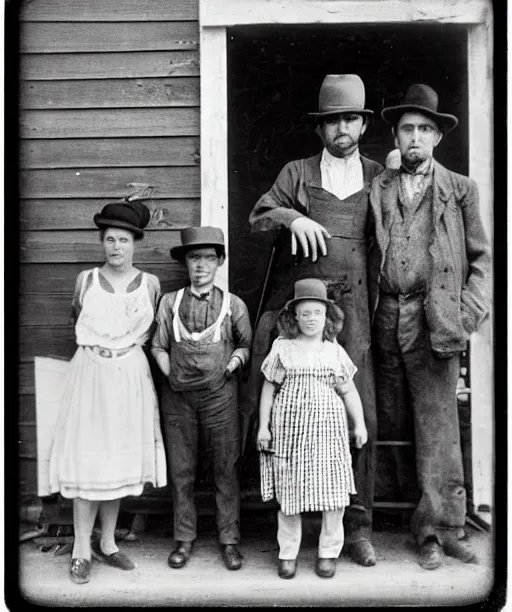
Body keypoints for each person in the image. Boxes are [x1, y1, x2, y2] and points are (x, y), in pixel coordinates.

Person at [249, 74, 383, 566]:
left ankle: (359, 528)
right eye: (332, 121)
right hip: (306, 314)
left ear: (363, 125)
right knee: (297, 418)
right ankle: (292, 529)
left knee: (356, 415)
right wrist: (292, 218)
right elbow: (259, 215)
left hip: (359, 318)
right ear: (320, 129)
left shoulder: (379, 175)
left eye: (350, 118)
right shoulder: (297, 172)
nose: (341, 128)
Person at [369, 84, 491, 570]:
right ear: (396, 137)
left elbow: (483, 259)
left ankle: (443, 530)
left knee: (438, 424)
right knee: (387, 416)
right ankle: (391, 520)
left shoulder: (460, 189)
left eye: (424, 129)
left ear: (437, 137)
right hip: (383, 316)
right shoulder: (378, 184)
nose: (415, 137)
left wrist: (465, 314)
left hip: (435, 316)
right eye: (406, 129)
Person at [46, 199, 167, 585]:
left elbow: (150, 336)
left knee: (117, 459)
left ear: (136, 244)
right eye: (110, 240)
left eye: (124, 240)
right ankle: (82, 547)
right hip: (91, 376)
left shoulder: (150, 284)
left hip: (130, 374)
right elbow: (74, 320)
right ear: (103, 242)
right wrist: (98, 351)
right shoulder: (86, 280)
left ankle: (109, 542)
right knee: (89, 459)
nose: (117, 247)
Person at [151, 227, 252, 571]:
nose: (201, 265)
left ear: (220, 262)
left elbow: (244, 344)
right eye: (195, 258)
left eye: (209, 257)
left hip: (220, 398)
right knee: (182, 470)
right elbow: (158, 346)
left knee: (226, 469)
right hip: (178, 400)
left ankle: (229, 541)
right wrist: (172, 375)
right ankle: (184, 539)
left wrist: (234, 361)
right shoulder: (169, 302)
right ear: (186, 263)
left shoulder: (233, 305)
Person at [257, 278, 368, 579]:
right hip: (289, 431)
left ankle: (328, 552)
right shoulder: (283, 348)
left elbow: (348, 391)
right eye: (304, 313)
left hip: (327, 432)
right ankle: (288, 552)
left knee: (332, 492)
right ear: (294, 317)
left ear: (326, 317)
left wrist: (358, 424)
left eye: (316, 313)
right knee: (289, 492)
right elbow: (268, 389)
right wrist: (263, 428)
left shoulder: (333, 350)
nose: (310, 319)